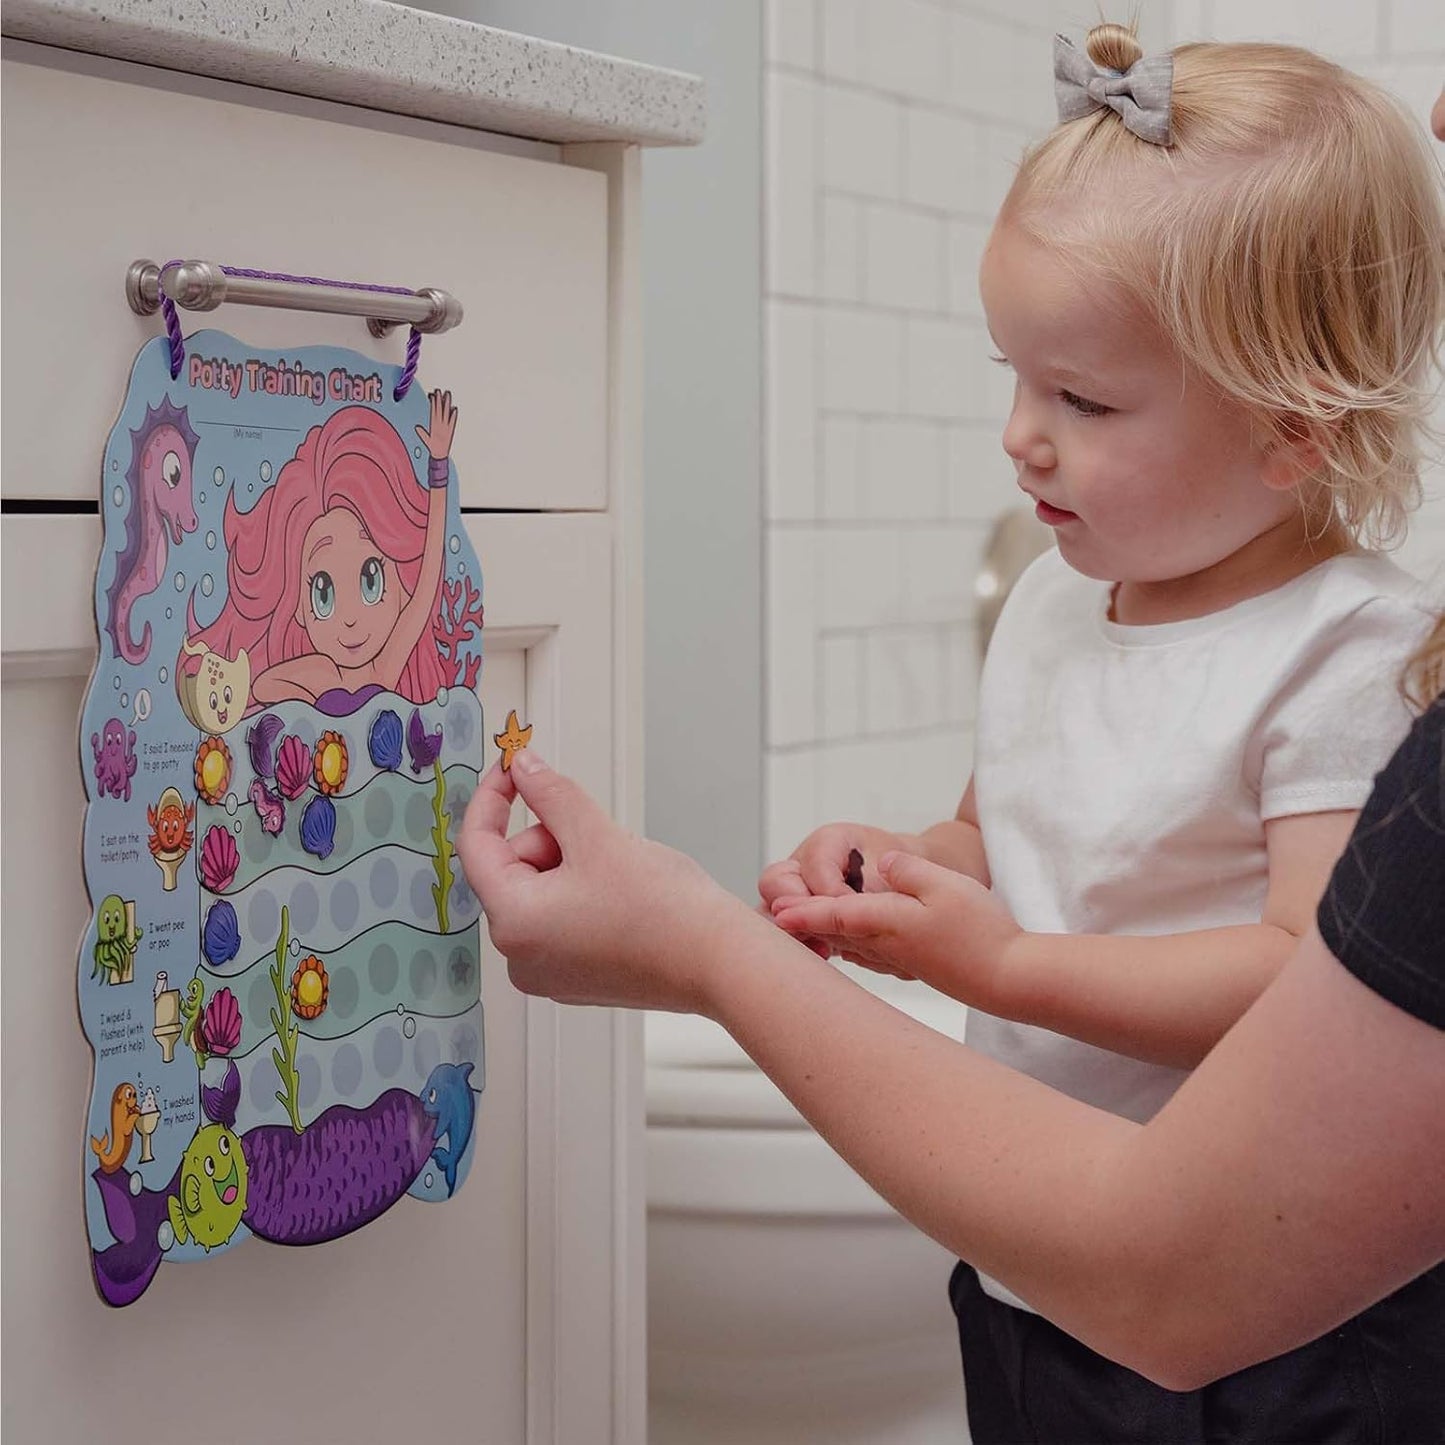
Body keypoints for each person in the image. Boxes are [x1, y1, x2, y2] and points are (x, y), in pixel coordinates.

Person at [461, 31, 1445, 1443]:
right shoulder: (1059, 600)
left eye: (1083, 402)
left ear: (1291, 428)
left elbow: (1302, 971)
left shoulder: (1342, 651)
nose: (1018, 439)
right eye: (1018, 379)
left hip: (1280, 1328)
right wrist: (907, 861)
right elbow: (1005, 832)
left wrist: (1005, 967)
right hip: (1036, 1266)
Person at [178, 390, 457, 712]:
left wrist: (439, 469)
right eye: (322, 595)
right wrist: (316, 691)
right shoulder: (322, 671)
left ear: (398, 586)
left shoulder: (386, 669)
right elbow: (263, 684)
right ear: (299, 607)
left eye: (371, 580)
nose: (350, 620)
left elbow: (426, 587)